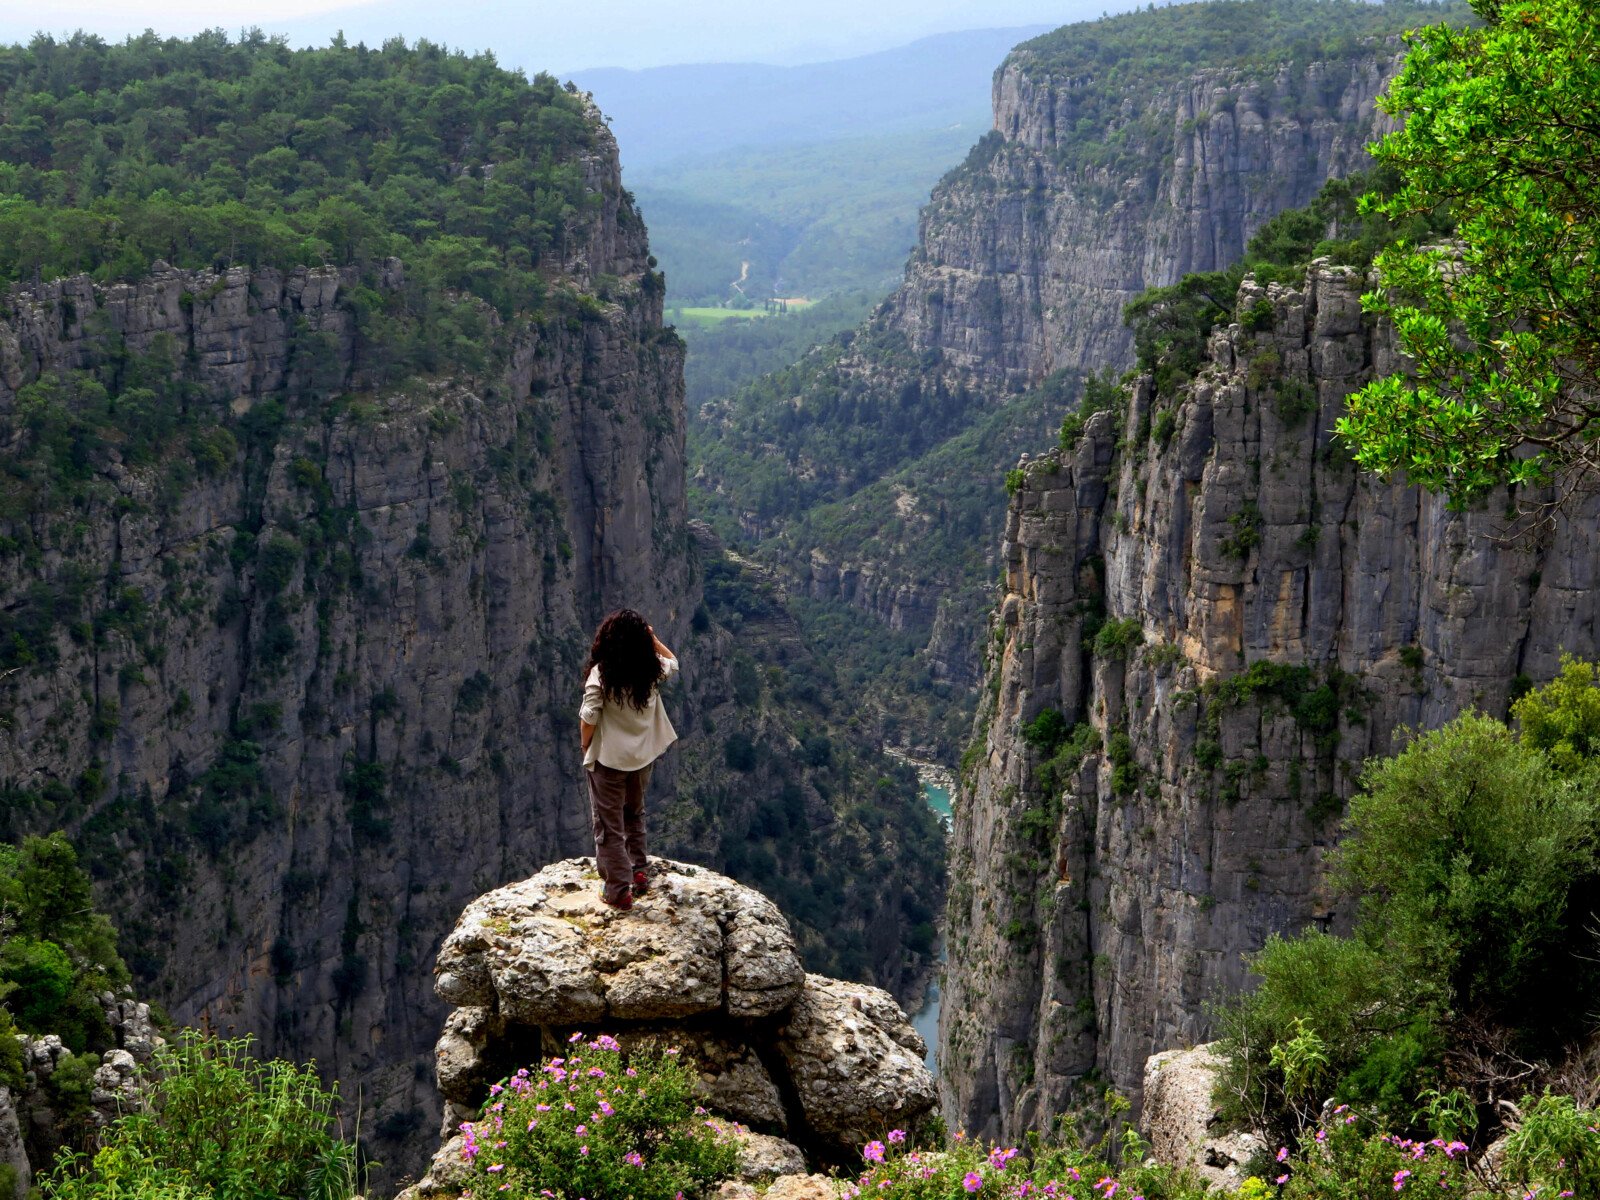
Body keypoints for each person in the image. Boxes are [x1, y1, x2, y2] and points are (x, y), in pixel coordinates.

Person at [578, 609, 678, 910]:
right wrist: (652, 638)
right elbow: (673, 661)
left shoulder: (602, 674)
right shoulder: (651, 670)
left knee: (609, 825)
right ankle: (638, 871)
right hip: (641, 758)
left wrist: (586, 746)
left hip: (609, 760)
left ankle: (618, 890)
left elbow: (589, 715)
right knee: (634, 813)